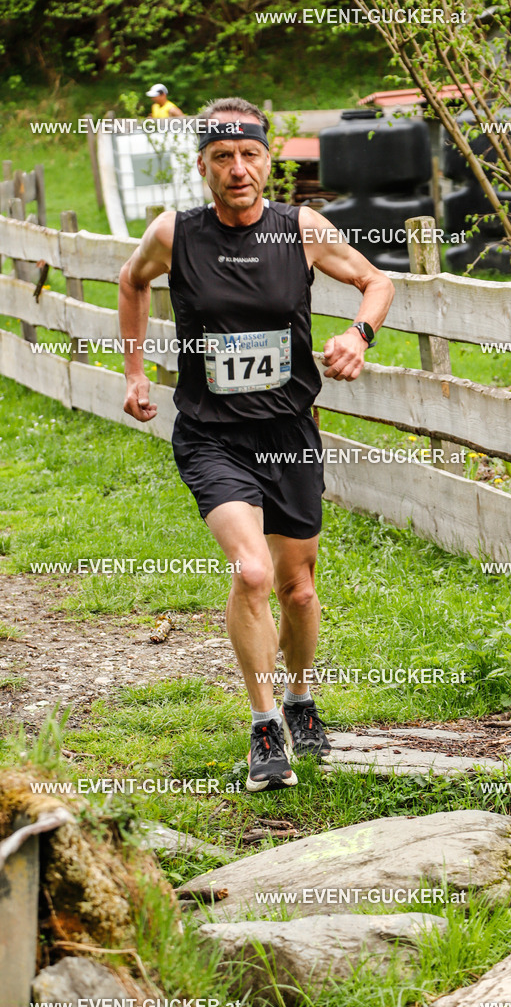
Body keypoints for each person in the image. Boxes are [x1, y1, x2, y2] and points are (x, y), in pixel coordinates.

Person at [118, 97, 394, 793]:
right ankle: (265, 725)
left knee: (299, 591)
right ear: (203, 166)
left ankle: (300, 698)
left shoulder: (298, 229)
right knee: (252, 574)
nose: (238, 170)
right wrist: (133, 372)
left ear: (267, 161)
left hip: (289, 432)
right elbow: (131, 281)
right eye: (222, 159)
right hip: (211, 434)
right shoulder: (174, 233)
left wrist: (358, 335)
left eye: (249, 156)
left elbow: (376, 280)